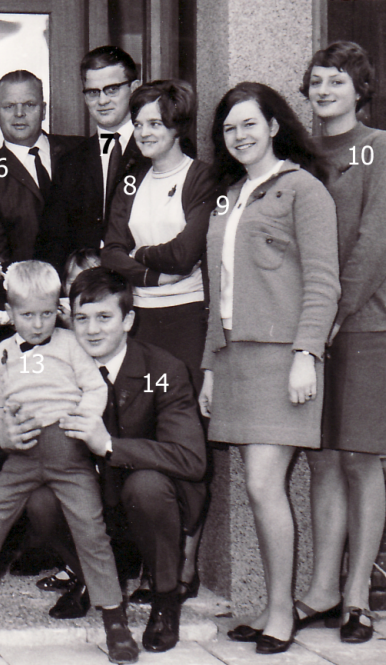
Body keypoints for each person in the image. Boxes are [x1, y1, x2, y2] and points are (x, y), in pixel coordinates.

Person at [0, 261, 140, 665]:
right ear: (9, 310)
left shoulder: (71, 344)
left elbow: (94, 388)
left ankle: (114, 618)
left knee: (91, 531)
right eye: (26, 315)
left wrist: (85, 423)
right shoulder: (1, 353)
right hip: (20, 457)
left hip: (68, 454)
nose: (37, 324)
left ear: (58, 309)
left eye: (46, 313)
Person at [199, 82, 339, 655]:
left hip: (285, 358)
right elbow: (219, 292)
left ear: (275, 125)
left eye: (249, 124)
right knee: (260, 491)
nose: (239, 135)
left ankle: (283, 609)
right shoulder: (229, 196)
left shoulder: (305, 189)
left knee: (262, 483)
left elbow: (324, 282)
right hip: (234, 358)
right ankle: (273, 603)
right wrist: (209, 366)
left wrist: (307, 354)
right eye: (230, 128)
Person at [18, 267, 207, 653]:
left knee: (147, 485)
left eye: (104, 317)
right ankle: (94, 576)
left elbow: (191, 460)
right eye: (82, 318)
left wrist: (109, 446)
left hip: (154, 506)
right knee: (39, 500)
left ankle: (165, 598)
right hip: (93, 500)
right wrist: (11, 435)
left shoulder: (163, 370)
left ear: (128, 321)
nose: (92, 330)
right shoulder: (52, 365)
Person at [294, 41, 386, 644]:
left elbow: (373, 247)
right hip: (308, 327)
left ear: (360, 89)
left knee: (361, 457)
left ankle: (358, 596)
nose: (325, 92)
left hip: (364, 325)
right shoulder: (299, 153)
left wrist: (331, 314)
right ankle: (323, 590)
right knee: (323, 458)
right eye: (317, 82)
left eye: (337, 82)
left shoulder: (377, 149)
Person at [101, 80, 219, 391]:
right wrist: (153, 278)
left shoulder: (201, 177)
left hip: (188, 315)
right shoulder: (131, 180)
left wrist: (138, 255)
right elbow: (111, 252)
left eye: (155, 123)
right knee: (143, 411)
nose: (143, 133)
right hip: (139, 316)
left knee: (184, 408)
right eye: (138, 124)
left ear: (177, 128)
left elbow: (183, 254)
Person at [36, 46, 149, 272]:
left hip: (147, 283)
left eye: (112, 89)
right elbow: (53, 240)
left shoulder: (158, 147)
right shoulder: (71, 161)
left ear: (135, 89)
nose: (102, 100)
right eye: (93, 92)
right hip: (89, 291)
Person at [0, 70, 79, 264]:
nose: (19, 114)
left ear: (44, 110)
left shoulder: (79, 151)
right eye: (9, 106)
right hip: (26, 289)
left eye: (29, 105)